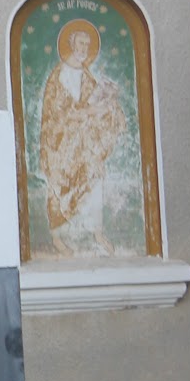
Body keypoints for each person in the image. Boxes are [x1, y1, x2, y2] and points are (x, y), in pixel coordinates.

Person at [37, 19, 125, 254]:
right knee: (59, 187)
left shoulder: (87, 77)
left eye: (87, 43)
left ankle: (96, 234)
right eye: (80, 42)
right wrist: (87, 112)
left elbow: (93, 103)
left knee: (94, 181)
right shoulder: (58, 77)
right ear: (70, 44)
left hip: (85, 146)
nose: (84, 47)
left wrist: (108, 106)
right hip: (61, 146)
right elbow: (57, 114)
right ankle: (58, 238)